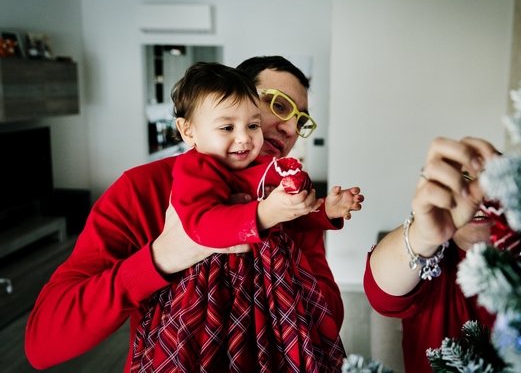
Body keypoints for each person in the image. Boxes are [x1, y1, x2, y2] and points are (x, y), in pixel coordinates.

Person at [25, 56, 362, 371]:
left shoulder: (288, 196)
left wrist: (293, 256)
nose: (289, 128)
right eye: (278, 104)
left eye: (300, 119)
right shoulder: (142, 189)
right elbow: (42, 343)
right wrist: (161, 258)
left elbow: (330, 314)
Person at [130, 61, 361, 372]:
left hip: (273, 303)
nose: (244, 138)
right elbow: (200, 223)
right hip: (209, 299)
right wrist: (264, 212)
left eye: (252, 126)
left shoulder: (261, 169)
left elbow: (290, 217)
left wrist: (325, 211)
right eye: (228, 127)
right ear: (188, 130)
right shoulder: (194, 169)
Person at [363, 136, 501, 373]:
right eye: (465, 183)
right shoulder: (433, 259)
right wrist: (423, 236)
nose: (480, 198)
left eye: (493, 182)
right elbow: (381, 296)